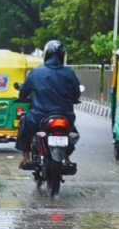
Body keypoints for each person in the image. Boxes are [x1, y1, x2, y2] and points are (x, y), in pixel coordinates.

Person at [16, 39, 83, 171]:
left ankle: (26, 159)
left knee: (24, 124)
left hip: (39, 116)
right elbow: (76, 93)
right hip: (65, 115)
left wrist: (21, 97)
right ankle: (67, 158)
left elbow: (23, 92)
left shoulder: (36, 72)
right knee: (72, 132)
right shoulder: (69, 73)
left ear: (46, 55)